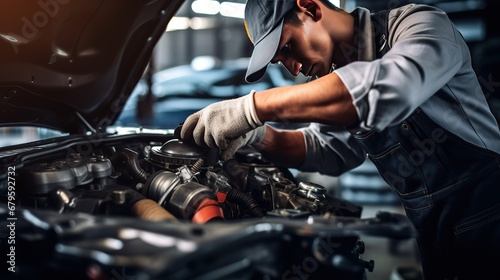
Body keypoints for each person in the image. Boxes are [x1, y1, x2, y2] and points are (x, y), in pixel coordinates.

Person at [180, 0, 500, 278]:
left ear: (310, 8)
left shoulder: (419, 25)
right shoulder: (335, 80)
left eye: (288, 48)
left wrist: (253, 107)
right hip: (431, 226)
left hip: (490, 208)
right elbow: (329, 150)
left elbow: (391, 89)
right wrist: (258, 136)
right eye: (281, 61)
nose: (294, 70)